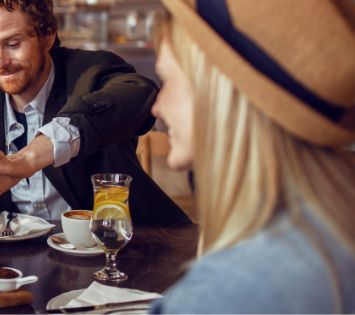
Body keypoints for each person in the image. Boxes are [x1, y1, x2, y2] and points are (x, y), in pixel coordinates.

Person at [147, 0, 355, 312]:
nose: (157, 107)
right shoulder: (332, 225)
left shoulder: (227, 292)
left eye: (167, 78)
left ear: (217, 91)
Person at [0, 0, 189, 225]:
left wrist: (30, 157)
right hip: (22, 265)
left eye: (13, 44)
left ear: (48, 36)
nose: (0, 63)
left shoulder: (91, 72)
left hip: (125, 249)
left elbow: (139, 93)